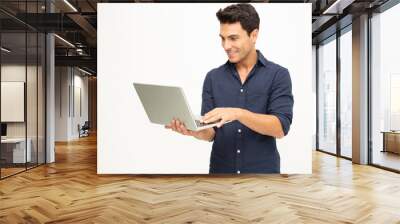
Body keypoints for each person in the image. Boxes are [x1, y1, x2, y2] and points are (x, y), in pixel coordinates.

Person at [165, 3, 294, 174]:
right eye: (222, 38)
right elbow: (210, 133)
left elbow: (280, 128)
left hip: (263, 176)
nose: (226, 46)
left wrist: (238, 113)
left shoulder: (278, 75)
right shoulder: (213, 77)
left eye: (233, 38)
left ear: (254, 35)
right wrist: (193, 131)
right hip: (220, 173)